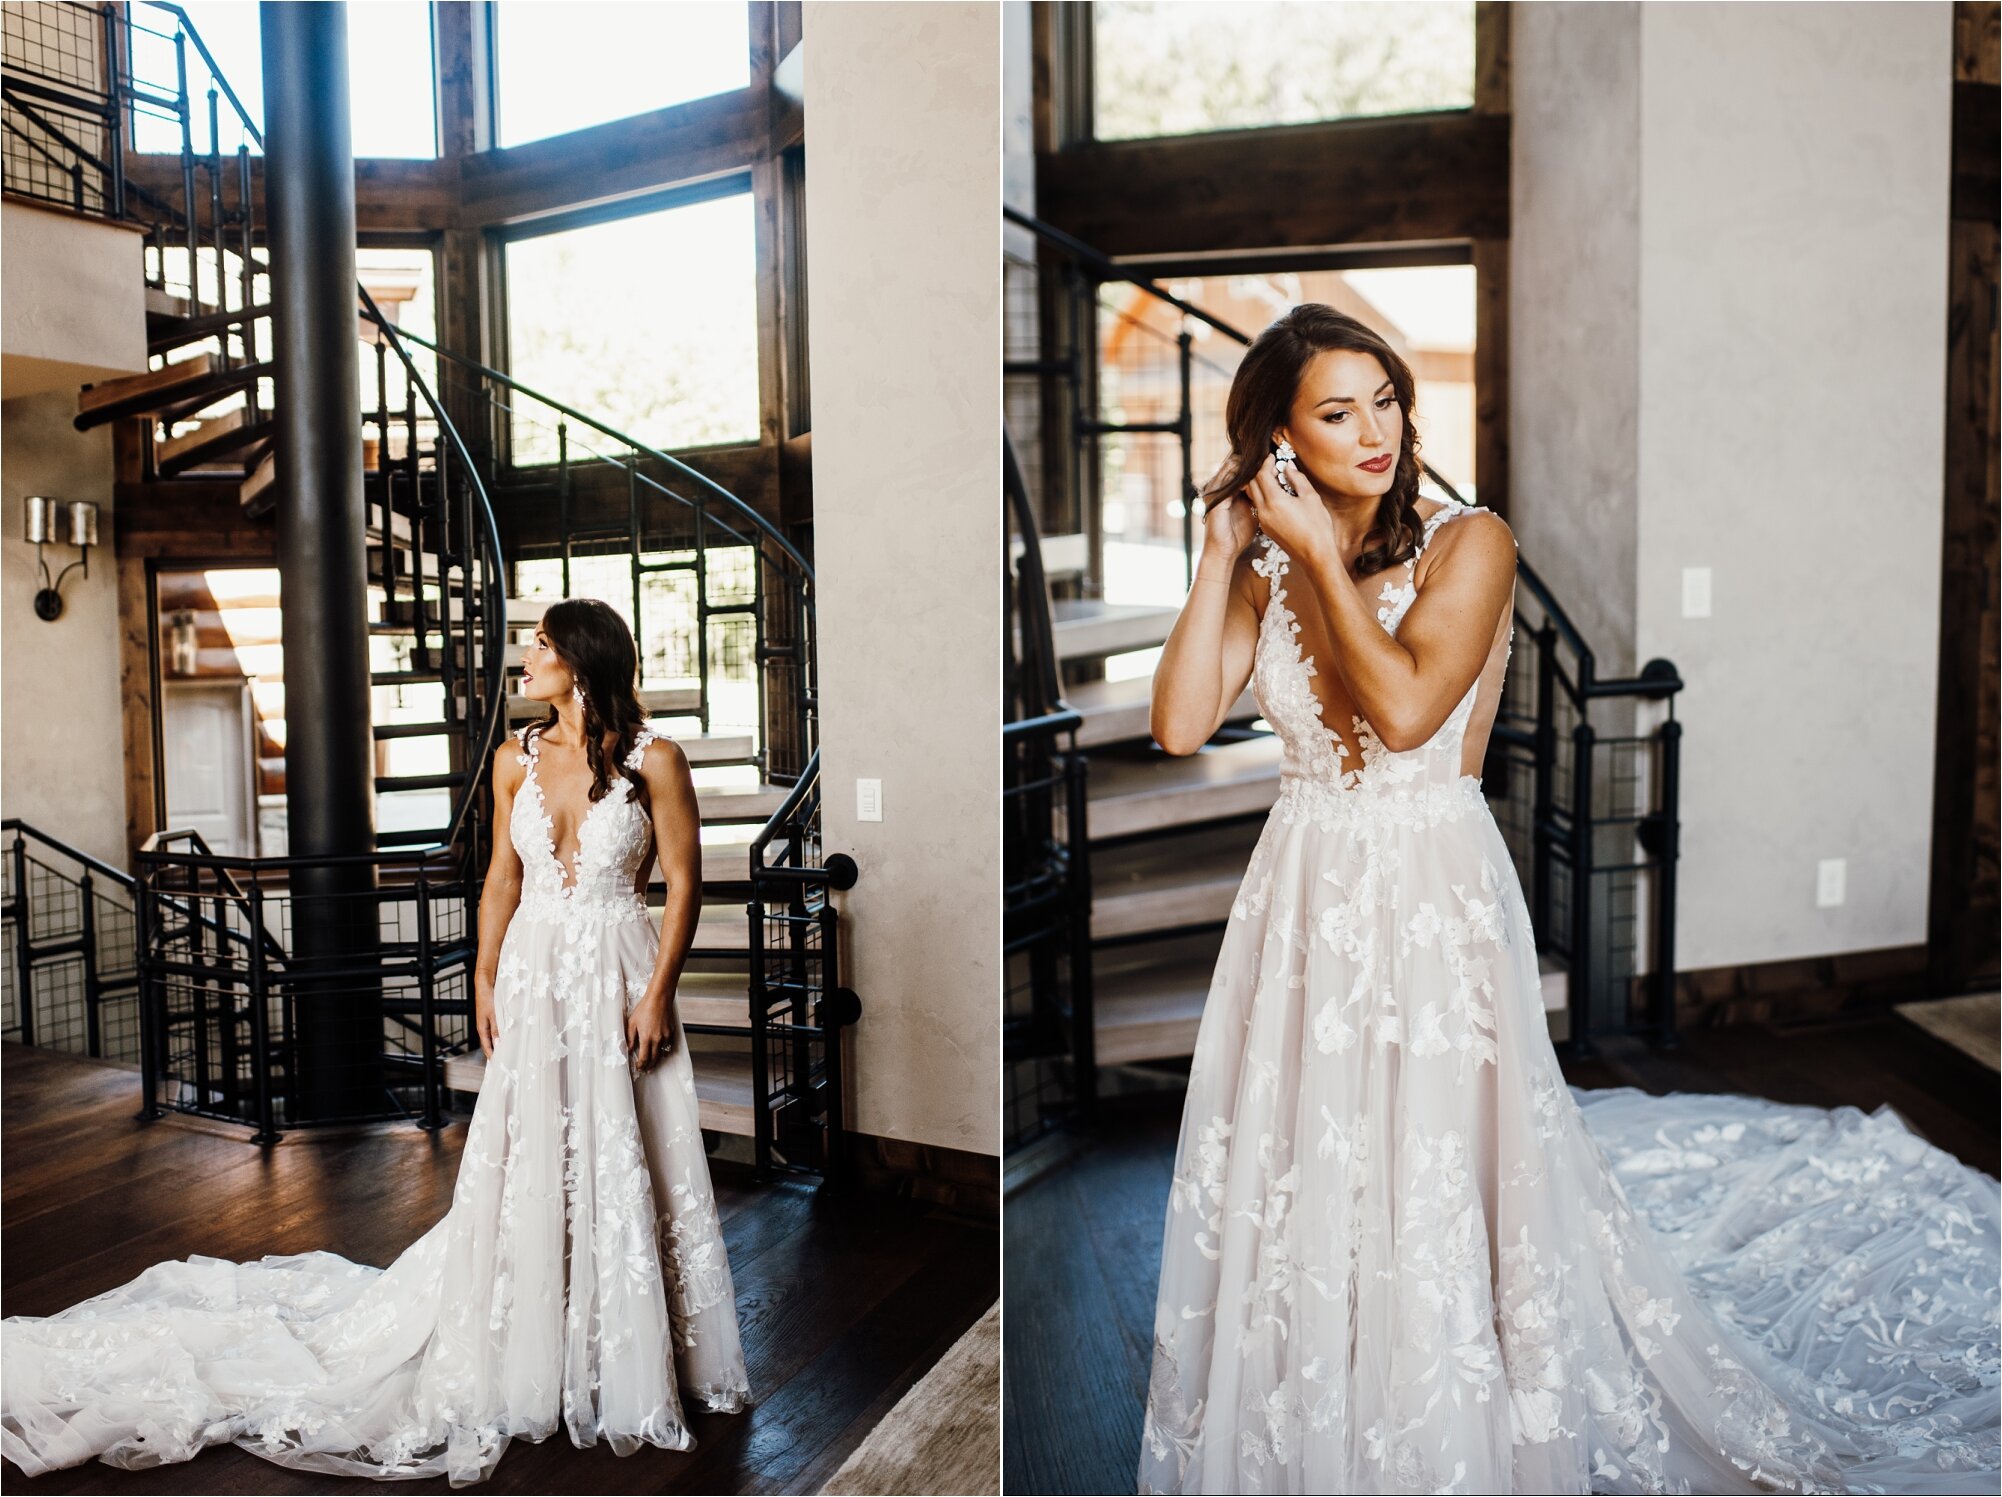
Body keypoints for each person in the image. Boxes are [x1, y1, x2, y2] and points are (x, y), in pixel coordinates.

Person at [1137, 304, 1998, 1495]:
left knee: (1439, 1159)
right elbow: (1179, 724)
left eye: (1384, 399)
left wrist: (1322, 562)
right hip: (1300, 894)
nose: (1376, 430)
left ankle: (1445, 1413)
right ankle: (1326, 1389)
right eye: (1337, 413)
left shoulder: (1467, 543)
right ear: (1278, 438)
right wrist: (1223, 554)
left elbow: (1402, 713)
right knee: (1312, 1160)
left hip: (1427, 881)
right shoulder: (1269, 563)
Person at [1, 597, 749, 1487]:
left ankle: (628, 1347)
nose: (527, 659)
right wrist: (480, 975)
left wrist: (659, 991)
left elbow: (687, 881)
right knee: (526, 1158)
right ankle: (531, 1340)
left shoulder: (653, 760)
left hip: (619, 972)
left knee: (630, 1154)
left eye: (540, 646)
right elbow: (502, 879)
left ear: (582, 659)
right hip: (534, 976)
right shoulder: (517, 759)